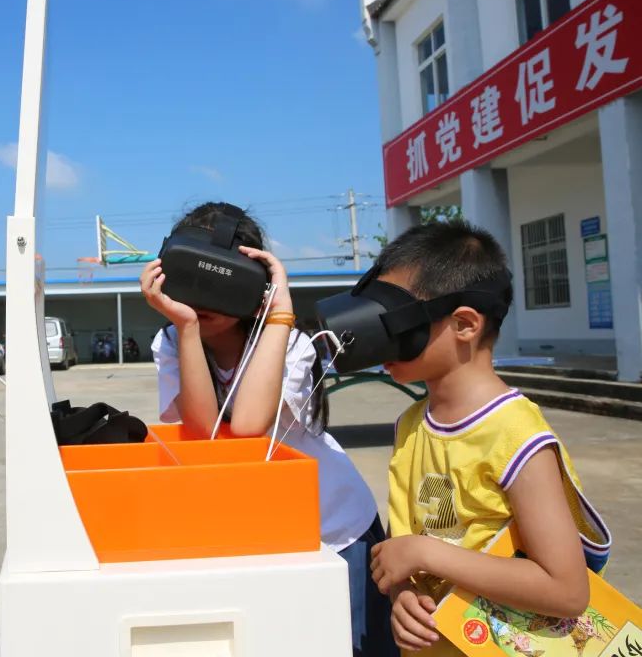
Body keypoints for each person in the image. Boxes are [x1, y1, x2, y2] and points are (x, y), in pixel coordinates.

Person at [141, 202, 395, 657]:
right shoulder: (173, 340)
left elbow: (247, 428)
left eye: (226, 280)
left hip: (332, 528)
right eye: (194, 277)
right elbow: (205, 435)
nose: (206, 298)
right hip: (259, 531)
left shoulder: (288, 341)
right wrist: (187, 327)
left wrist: (279, 313)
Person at [367, 221, 611, 655]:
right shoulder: (410, 424)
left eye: (396, 319)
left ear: (465, 324)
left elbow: (567, 590)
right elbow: (403, 542)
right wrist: (402, 592)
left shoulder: (516, 434)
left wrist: (425, 554)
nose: (380, 336)